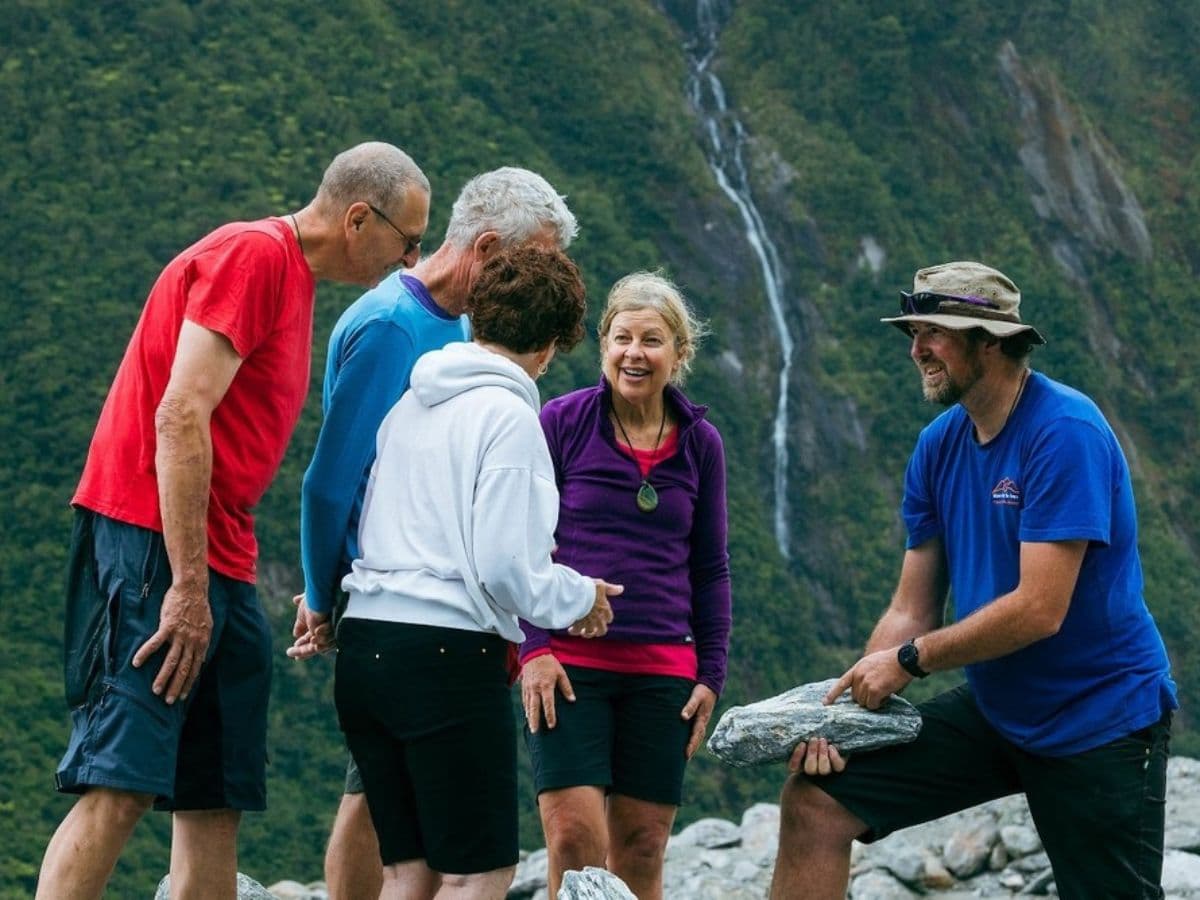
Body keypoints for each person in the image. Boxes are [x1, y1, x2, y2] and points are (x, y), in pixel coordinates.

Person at [37, 142, 430, 900]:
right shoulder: (251, 257)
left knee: (217, 796)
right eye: (406, 240)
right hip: (152, 545)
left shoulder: (296, 279)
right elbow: (181, 412)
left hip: (221, 557)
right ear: (358, 218)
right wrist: (185, 588)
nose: (410, 258)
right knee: (119, 781)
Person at [770, 261, 1177, 900]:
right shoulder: (938, 445)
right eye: (913, 333)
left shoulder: (1064, 432)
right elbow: (912, 607)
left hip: (1100, 718)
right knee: (817, 801)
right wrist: (842, 713)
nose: (914, 350)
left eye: (932, 333)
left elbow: (1040, 610)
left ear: (988, 340)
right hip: (1000, 709)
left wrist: (911, 661)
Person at [287, 166, 580, 900]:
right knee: (471, 865)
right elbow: (330, 481)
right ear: (485, 249)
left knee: (405, 853)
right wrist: (324, 597)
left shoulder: (453, 338)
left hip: (385, 610)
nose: (534, 278)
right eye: (531, 261)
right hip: (421, 621)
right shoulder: (394, 328)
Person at [330, 244, 621, 900]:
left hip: (367, 643)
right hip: (446, 655)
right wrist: (579, 596)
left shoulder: (409, 406)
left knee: (408, 869)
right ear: (550, 345)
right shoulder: (510, 419)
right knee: (478, 870)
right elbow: (501, 568)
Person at [519, 271, 732, 900]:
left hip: (664, 671)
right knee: (572, 841)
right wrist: (533, 647)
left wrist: (711, 674)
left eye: (652, 340)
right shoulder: (561, 423)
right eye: (621, 338)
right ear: (603, 345)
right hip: (569, 665)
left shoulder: (700, 444)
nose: (634, 353)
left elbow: (710, 567)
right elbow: (520, 545)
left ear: (679, 353)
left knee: (641, 849)